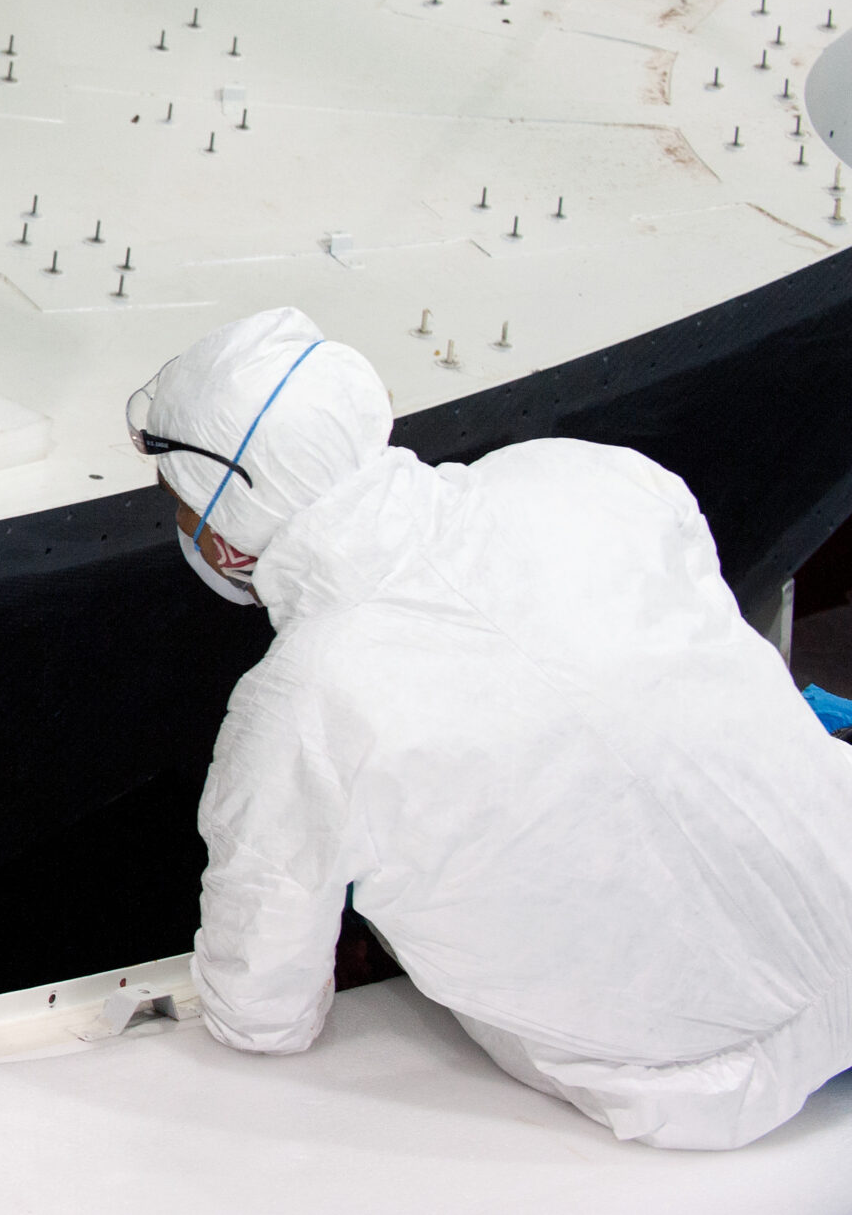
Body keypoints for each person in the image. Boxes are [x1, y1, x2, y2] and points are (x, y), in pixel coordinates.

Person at [132, 306, 852, 1150]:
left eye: (180, 507)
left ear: (226, 537)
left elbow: (261, 1013)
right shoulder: (586, 475)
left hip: (696, 1081)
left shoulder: (301, 699)